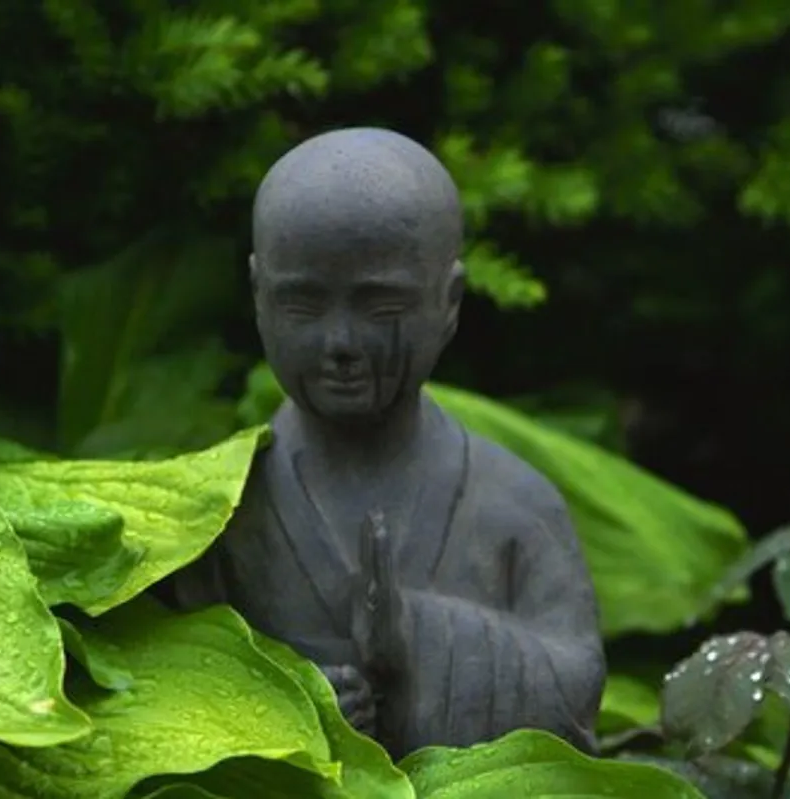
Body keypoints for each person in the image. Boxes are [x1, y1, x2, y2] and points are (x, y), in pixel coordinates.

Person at [169, 127, 606, 758]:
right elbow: (167, 682)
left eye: (380, 308)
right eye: (304, 305)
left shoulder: (515, 503)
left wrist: (418, 642)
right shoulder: (218, 506)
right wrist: (288, 697)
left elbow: (576, 685)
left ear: (448, 303)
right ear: (260, 296)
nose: (340, 342)